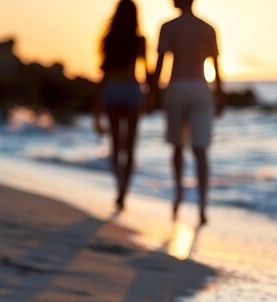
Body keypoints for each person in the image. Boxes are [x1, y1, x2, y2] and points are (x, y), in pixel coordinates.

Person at [151, 0, 224, 225]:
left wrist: (151, 92)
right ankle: (202, 207)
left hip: (177, 87)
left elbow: (161, 64)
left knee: (177, 147)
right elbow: (216, 67)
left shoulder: (168, 26)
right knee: (200, 150)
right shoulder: (208, 27)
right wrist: (220, 93)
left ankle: (178, 196)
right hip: (201, 88)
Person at [95, 0, 147, 211]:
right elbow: (147, 70)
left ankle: (119, 186)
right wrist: (151, 97)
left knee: (116, 145)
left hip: (113, 90)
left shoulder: (108, 40)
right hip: (132, 90)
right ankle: (124, 189)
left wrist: (96, 109)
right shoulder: (139, 40)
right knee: (131, 146)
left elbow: (104, 74)